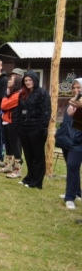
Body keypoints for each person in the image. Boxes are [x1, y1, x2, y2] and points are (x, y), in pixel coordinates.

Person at [15, 70, 50, 189]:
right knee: (28, 155)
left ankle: (37, 181)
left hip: (37, 129)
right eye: (26, 80)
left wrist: (42, 128)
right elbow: (18, 110)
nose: (28, 82)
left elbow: (46, 112)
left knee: (37, 155)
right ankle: (29, 177)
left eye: (30, 80)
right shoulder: (23, 93)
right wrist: (18, 125)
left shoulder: (42, 93)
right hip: (24, 128)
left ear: (35, 80)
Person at [57, 78, 82, 208]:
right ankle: (77, 192)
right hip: (67, 139)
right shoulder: (71, 102)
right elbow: (66, 121)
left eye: (79, 88)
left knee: (72, 165)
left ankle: (69, 197)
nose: (76, 90)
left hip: (78, 141)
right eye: (74, 88)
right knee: (71, 167)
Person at [0, 72, 24, 178]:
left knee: (15, 145)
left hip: (13, 122)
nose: (9, 81)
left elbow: (3, 105)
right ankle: (8, 165)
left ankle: (18, 170)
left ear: (16, 83)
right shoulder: (11, 93)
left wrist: (5, 96)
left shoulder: (17, 95)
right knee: (8, 144)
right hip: (6, 120)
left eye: (11, 80)